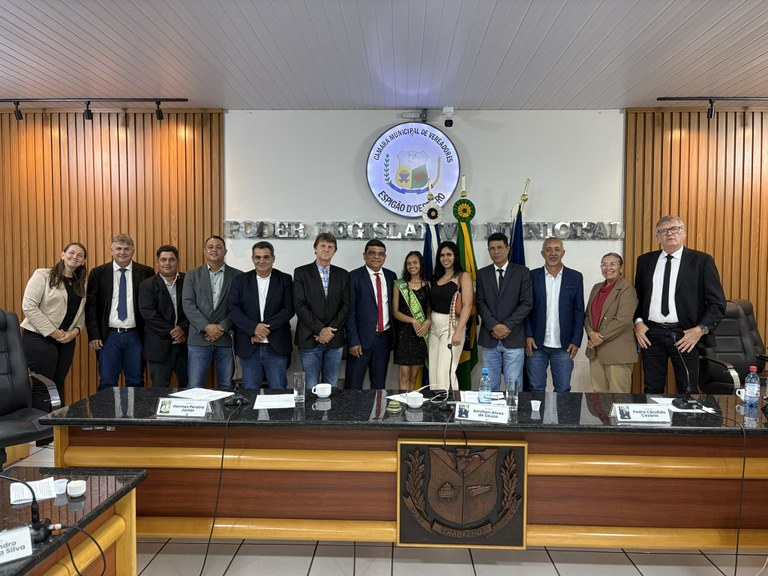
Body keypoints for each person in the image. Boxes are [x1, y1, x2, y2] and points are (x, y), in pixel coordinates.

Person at [633, 215, 726, 394]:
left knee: (688, 391)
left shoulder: (702, 261)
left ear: (683, 233)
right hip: (651, 334)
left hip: (686, 335)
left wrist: (700, 330)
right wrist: (638, 322)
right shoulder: (644, 261)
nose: (670, 233)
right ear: (657, 236)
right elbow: (638, 298)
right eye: (663, 231)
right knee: (652, 390)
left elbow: (717, 303)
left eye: (675, 229)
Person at [21, 242, 88, 404]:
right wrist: (54, 332)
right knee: (42, 386)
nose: (75, 257)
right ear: (62, 254)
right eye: (71, 252)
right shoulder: (43, 275)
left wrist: (74, 333)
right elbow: (29, 307)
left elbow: (80, 314)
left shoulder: (81, 283)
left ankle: (58, 421)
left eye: (80, 255)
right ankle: (41, 421)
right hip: (39, 338)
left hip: (66, 340)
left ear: (83, 261)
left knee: (58, 384)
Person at [85, 234, 154, 391]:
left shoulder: (146, 272)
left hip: (136, 336)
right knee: (107, 381)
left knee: (136, 380)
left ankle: (135, 409)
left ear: (133, 250)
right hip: (108, 336)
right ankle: (106, 409)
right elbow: (91, 307)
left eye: (126, 249)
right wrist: (94, 334)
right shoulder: (98, 273)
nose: (122, 252)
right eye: (118, 249)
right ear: (111, 250)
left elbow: (151, 305)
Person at [229, 241, 294, 390]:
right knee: (250, 391)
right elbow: (233, 309)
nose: (261, 261)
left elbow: (288, 309)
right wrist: (253, 328)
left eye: (266, 257)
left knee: (278, 390)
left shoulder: (285, 279)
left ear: (273, 258)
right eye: (257, 257)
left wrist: (262, 329)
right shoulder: (240, 281)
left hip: (276, 345)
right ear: (252, 258)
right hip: (249, 345)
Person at [182, 235, 243, 390]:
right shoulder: (192, 275)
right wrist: (206, 326)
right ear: (204, 251)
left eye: (218, 247)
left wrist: (222, 327)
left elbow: (239, 306)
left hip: (225, 339)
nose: (214, 250)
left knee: (226, 385)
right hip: (198, 339)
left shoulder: (238, 276)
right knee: (195, 385)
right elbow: (188, 304)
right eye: (210, 247)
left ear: (225, 251)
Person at [525, 238, 585, 392]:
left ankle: (561, 411)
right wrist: (528, 335)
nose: (553, 253)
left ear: (563, 253)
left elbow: (579, 311)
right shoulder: (531, 276)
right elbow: (525, 308)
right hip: (536, 344)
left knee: (563, 390)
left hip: (564, 345)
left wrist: (576, 340)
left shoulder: (575, 277)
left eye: (557, 249)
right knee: (536, 389)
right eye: (549, 250)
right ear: (542, 253)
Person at [476, 233, 533, 392]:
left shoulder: (522, 272)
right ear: (488, 250)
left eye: (500, 247)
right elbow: (480, 302)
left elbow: (527, 303)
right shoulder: (482, 274)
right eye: (492, 248)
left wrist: (506, 326)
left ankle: (512, 409)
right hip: (489, 337)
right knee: (489, 385)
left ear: (508, 249)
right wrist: (494, 325)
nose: (496, 252)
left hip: (513, 337)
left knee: (513, 386)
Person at [293, 233, 349, 389]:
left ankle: (330, 409)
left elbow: (346, 306)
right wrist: (320, 329)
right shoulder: (301, 272)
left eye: (330, 247)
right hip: (309, 338)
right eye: (322, 245)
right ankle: (311, 409)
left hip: (334, 339)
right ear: (315, 249)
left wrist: (328, 331)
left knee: (331, 386)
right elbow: (299, 305)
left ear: (334, 251)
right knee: (311, 387)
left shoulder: (343, 275)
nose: (326, 249)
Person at [345, 239, 397, 389]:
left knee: (379, 385)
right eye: (372, 253)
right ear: (364, 255)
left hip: (384, 339)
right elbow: (349, 311)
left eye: (381, 254)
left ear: (385, 257)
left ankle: (378, 407)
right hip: (360, 341)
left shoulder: (391, 276)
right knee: (353, 386)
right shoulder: (353, 276)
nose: (376, 257)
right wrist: (353, 341)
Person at [584, 253, 638, 393]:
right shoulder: (596, 288)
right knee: (598, 396)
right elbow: (587, 315)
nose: (608, 267)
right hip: (596, 352)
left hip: (617, 352)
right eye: (604, 264)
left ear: (621, 268)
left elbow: (622, 320)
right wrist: (590, 332)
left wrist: (596, 339)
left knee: (618, 396)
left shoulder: (627, 289)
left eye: (613, 264)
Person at [138, 245, 189, 388]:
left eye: (171, 259)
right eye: (163, 259)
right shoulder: (147, 285)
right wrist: (173, 332)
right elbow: (148, 313)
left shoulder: (188, 280)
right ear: (157, 262)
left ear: (178, 261)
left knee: (189, 388)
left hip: (185, 344)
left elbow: (195, 308)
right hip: (158, 345)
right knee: (159, 389)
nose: (167, 263)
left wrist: (183, 328)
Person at [428, 241, 473, 391]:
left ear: (455, 256)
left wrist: (458, 331)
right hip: (434, 325)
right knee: (433, 370)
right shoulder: (437, 277)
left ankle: (450, 401)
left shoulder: (463, 276)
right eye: (442, 255)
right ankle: (437, 400)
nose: (445, 258)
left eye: (449, 254)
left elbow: (467, 305)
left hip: (452, 324)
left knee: (445, 370)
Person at [392, 251, 430, 390]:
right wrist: (413, 320)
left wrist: (428, 321)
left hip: (420, 334)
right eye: (408, 263)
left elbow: (429, 310)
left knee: (414, 377)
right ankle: (403, 401)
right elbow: (395, 312)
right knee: (404, 376)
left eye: (415, 262)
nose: (412, 266)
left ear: (421, 264)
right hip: (404, 334)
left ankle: (412, 402)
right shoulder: (399, 285)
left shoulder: (428, 285)